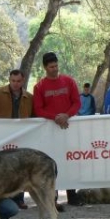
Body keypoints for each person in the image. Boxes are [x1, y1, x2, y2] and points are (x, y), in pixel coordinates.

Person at [0, 69, 34, 209]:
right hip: (3, 136)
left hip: (22, 136)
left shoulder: (29, 97)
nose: (15, 84)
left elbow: (35, 115)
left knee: (21, 165)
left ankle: (19, 198)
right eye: (13, 81)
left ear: (23, 81)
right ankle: (3, 195)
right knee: (4, 165)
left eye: (18, 81)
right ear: (9, 80)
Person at [33, 52, 82, 209]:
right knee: (52, 163)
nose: (54, 69)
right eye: (51, 67)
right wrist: (56, 117)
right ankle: (52, 198)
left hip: (69, 128)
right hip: (50, 130)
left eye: (56, 66)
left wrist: (66, 115)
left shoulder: (69, 81)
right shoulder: (39, 86)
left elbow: (77, 103)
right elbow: (38, 109)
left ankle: (72, 195)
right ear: (45, 67)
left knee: (71, 160)